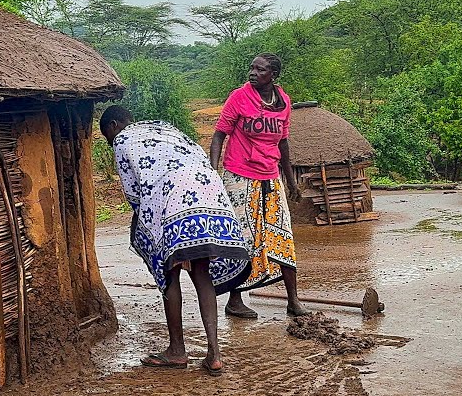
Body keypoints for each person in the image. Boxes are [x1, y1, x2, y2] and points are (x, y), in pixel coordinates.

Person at [101, 105, 250, 376]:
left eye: (108, 138)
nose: (112, 143)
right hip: (210, 194)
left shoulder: (123, 139)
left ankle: (177, 351)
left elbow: (135, 194)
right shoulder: (165, 128)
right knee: (201, 272)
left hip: (174, 199)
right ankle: (214, 354)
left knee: (168, 272)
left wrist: (145, 231)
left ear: (113, 126)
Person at [209, 53, 308, 319]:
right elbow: (220, 135)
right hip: (239, 176)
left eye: (260, 69)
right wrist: (213, 172)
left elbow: (283, 143)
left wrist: (290, 182)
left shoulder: (283, 101)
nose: (253, 73)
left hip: (270, 176)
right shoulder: (239, 97)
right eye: (251, 67)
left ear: (273, 75)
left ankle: (293, 300)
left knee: (283, 234)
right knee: (242, 238)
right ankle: (235, 299)